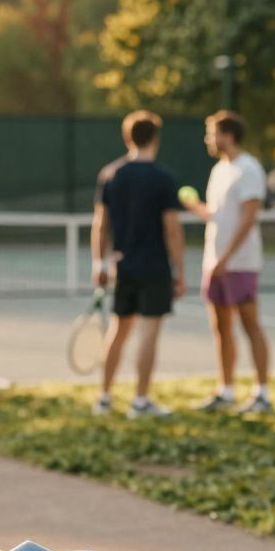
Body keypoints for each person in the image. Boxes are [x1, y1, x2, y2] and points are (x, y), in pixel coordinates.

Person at [91, 110, 186, 418]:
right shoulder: (164, 178)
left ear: (127, 137)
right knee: (149, 332)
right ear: (155, 138)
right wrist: (180, 270)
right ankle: (140, 402)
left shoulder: (111, 174)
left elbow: (100, 224)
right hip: (155, 267)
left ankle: (104, 399)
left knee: (118, 330)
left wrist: (98, 263)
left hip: (123, 266)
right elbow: (172, 229)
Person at [180, 110, 272, 414]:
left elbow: (248, 218)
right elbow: (217, 216)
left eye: (212, 134)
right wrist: (196, 207)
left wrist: (226, 257)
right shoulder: (219, 170)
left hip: (240, 264)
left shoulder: (249, 168)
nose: (208, 139)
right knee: (220, 327)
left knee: (250, 325)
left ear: (228, 136)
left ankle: (262, 394)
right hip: (214, 263)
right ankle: (226, 390)